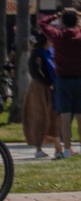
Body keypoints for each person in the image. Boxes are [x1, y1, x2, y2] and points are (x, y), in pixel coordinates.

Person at [37, 7, 81, 158]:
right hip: (80, 80)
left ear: (63, 22)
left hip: (63, 80)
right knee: (80, 116)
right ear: (76, 21)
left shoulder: (58, 36)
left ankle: (67, 149)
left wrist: (57, 15)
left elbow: (42, 23)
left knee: (65, 117)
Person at [23, 30, 60, 159]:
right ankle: (38, 148)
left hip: (50, 87)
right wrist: (48, 82)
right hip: (39, 88)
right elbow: (36, 70)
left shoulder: (49, 52)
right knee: (39, 117)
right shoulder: (37, 54)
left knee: (53, 116)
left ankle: (57, 147)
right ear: (46, 40)